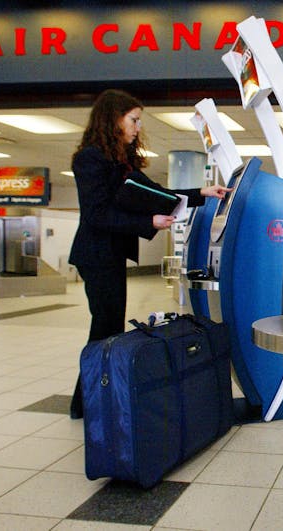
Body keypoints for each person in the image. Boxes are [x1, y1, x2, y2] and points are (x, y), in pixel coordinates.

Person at [68, 89, 230, 418]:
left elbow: (157, 194)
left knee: (108, 327)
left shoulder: (118, 161)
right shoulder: (89, 159)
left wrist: (202, 192)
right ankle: (86, 402)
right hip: (96, 255)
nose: (138, 127)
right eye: (133, 120)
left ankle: (89, 401)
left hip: (110, 255)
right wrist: (149, 221)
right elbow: (96, 215)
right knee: (104, 328)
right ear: (112, 119)